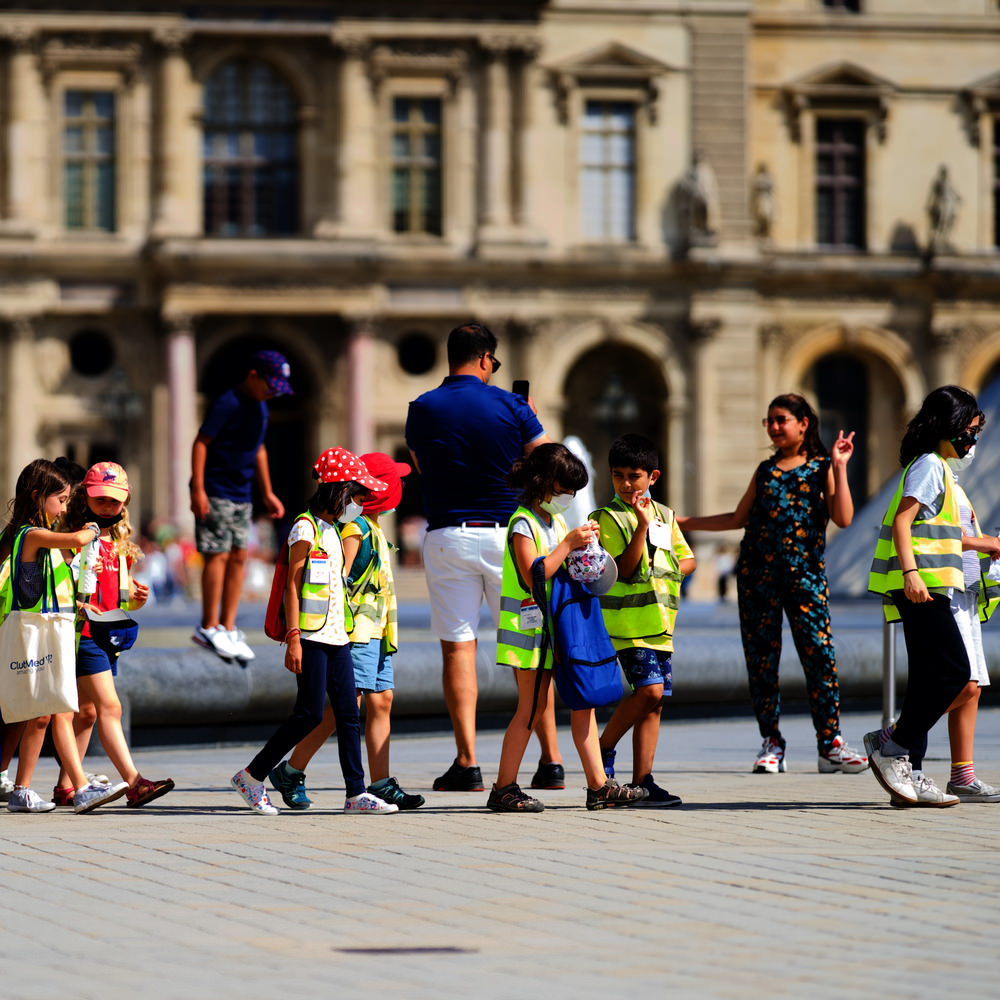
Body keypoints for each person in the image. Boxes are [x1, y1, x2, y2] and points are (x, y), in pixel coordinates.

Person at [677, 393, 868, 775]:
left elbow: (843, 518)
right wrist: (684, 523)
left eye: (782, 419)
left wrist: (841, 466)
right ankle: (772, 742)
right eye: (770, 421)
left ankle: (830, 744)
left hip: (806, 579)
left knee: (819, 655)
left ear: (804, 423)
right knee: (762, 660)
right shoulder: (766, 471)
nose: (775, 427)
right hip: (756, 579)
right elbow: (737, 518)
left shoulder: (821, 468)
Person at [405, 322, 559, 793]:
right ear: (487, 359)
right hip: (510, 538)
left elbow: (418, 462)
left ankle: (468, 762)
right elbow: (547, 464)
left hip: (448, 535)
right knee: (530, 649)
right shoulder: (512, 406)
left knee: (458, 646)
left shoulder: (422, 407)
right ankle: (551, 761)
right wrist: (526, 420)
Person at [230, 447, 398, 815]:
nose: (358, 503)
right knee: (308, 714)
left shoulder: (333, 530)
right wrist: (293, 638)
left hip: (338, 636)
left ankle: (356, 793)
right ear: (337, 491)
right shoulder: (304, 527)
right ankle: (252, 775)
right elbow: (292, 584)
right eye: (355, 495)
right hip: (310, 636)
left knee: (348, 714)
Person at [489, 443, 648, 812]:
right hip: (528, 632)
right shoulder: (523, 523)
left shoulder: (554, 519)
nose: (569, 497)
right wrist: (568, 543)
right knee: (529, 710)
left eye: (573, 491)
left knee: (584, 704)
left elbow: (568, 568)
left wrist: (587, 551)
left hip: (559, 628)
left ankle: (598, 785)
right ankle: (503, 787)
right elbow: (534, 575)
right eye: (564, 489)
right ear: (543, 483)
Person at [867, 386, 1000, 806]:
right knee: (954, 673)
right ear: (951, 426)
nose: (974, 440)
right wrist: (910, 573)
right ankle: (892, 745)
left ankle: (908, 766)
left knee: (932, 676)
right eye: (971, 431)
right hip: (922, 586)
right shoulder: (929, 466)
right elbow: (904, 523)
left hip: (934, 585)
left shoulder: (939, 468)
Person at [269, 452, 424, 811]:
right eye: (396, 482)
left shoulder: (373, 527)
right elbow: (338, 584)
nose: (401, 488)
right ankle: (291, 769)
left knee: (380, 700)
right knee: (343, 709)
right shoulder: (353, 530)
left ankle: (380, 782)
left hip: (379, 630)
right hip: (355, 632)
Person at [0, 459, 129, 813]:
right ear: (38, 497)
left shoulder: (40, 538)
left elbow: (61, 583)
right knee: (51, 710)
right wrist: (90, 529)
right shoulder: (31, 534)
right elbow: (75, 537)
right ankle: (75, 787)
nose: (64, 507)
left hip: (50, 633)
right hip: (35, 635)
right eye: (61, 499)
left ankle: (27, 789)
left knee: (48, 712)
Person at [51, 462, 174, 808]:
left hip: (107, 634)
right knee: (110, 706)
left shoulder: (117, 539)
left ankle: (64, 787)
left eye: (115, 500)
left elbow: (114, 595)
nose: (108, 506)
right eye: (100, 499)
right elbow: (62, 584)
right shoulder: (74, 536)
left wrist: (133, 598)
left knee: (88, 712)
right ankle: (135, 782)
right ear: (84, 498)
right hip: (83, 632)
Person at [591, 434, 696, 806]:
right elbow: (624, 568)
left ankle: (643, 781)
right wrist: (639, 526)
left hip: (661, 625)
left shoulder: (665, 514)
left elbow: (688, 558)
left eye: (634, 475)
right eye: (618, 475)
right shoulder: (604, 517)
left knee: (656, 701)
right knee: (648, 690)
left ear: (653, 476)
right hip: (628, 626)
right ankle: (602, 746)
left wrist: (670, 572)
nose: (625, 483)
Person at [190, 349, 291, 663]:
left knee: (239, 557)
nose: (271, 391)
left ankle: (228, 626)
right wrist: (199, 488)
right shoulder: (227, 403)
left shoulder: (260, 408)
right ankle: (208, 625)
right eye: (269, 384)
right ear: (252, 375)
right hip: (217, 489)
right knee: (216, 555)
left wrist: (268, 492)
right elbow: (201, 442)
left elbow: (258, 448)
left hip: (242, 493)